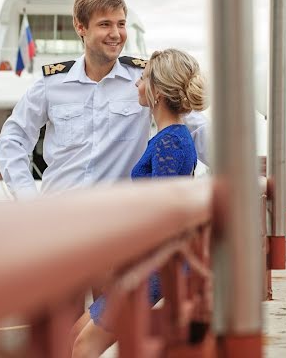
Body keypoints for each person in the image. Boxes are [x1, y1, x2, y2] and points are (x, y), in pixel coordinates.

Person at [0, 0, 210, 199]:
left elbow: (195, 129)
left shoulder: (146, 80)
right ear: (81, 27)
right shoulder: (51, 83)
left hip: (117, 220)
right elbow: (13, 139)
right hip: (59, 216)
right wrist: (28, 199)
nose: (116, 34)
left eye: (121, 24)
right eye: (105, 24)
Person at [71, 48, 208, 358]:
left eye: (143, 79)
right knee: (76, 334)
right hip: (151, 265)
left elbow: (162, 221)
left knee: (83, 345)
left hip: (155, 269)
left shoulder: (170, 142)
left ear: (157, 92)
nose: (137, 84)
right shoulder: (167, 138)